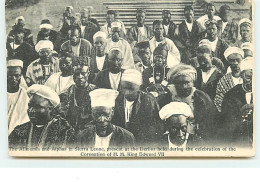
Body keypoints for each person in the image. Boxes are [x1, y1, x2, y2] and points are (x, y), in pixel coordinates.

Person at [9, 84, 75, 148]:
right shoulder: (19, 131)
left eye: (37, 107)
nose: (31, 111)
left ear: (50, 109)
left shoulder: (64, 132)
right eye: (30, 106)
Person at [166, 64, 217, 143]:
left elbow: (210, 123)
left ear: (192, 82)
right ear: (174, 83)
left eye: (187, 82)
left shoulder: (201, 97)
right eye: (180, 83)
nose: (184, 87)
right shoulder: (168, 97)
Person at [112, 69, 164, 146]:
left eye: (131, 89)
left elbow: (155, 128)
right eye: (124, 88)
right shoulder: (116, 100)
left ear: (139, 87)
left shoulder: (149, 101)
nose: (126, 92)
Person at [219, 60, 253, 148]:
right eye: (249, 77)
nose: (253, 81)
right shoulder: (232, 94)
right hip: (238, 138)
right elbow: (227, 122)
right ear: (241, 75)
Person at [64, 57, 97, 133]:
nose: (80, 77)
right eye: (76, 74)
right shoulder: (67, 92)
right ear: (72, 74)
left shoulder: (95, 92)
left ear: (88, 73)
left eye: (83, 73)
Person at [214, 47, 244, 112]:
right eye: (232, 60)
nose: (235, 63)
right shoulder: (223, 81)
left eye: (238, 60)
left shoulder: (248, 78)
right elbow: (218, 101)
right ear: (228, 62)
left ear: (242, 60)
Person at [7, 59, 29, 135]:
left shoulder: (26, 95)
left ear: (21, 76)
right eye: (9, 76)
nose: (13, 79)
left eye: (16, 75)